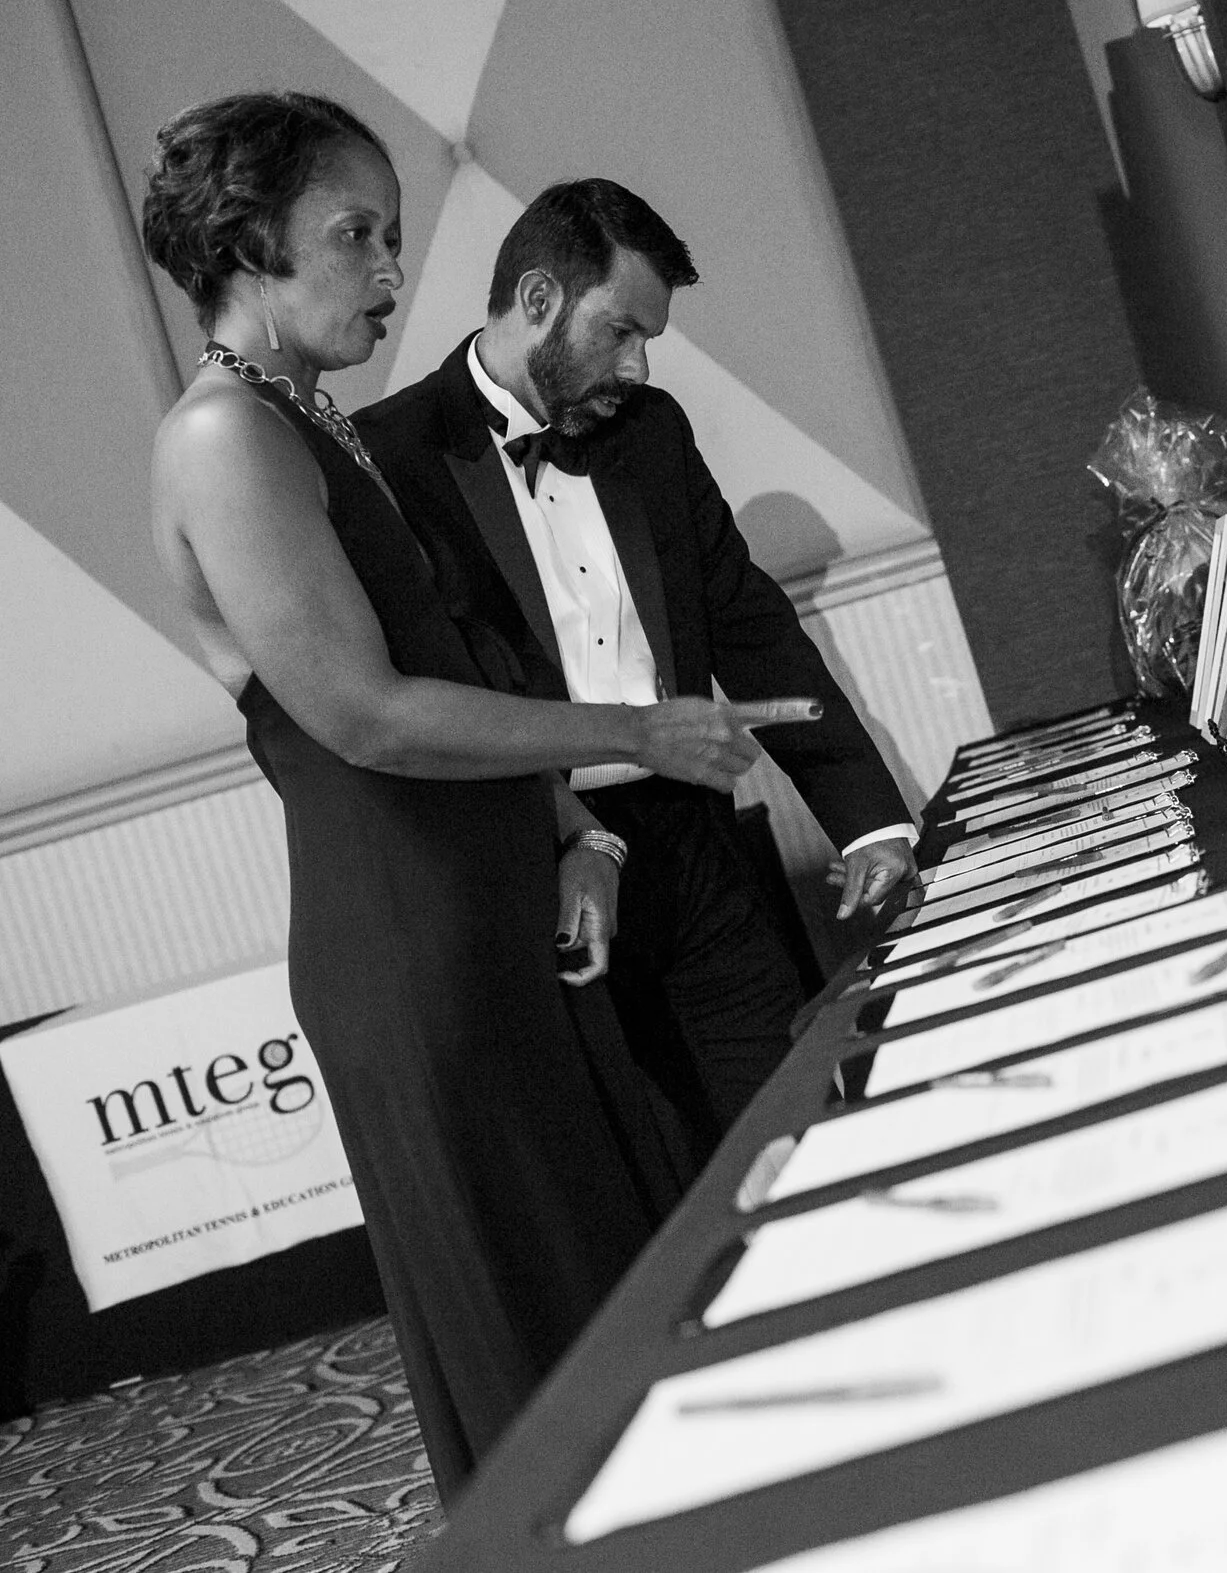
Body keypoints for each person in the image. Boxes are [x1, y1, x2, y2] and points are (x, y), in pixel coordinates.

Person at [142, 91, 817, 1491]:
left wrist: (577, 830)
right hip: (418, 953)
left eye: (392, 234)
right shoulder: (223, 437)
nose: (392, 268)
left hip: (500, 923)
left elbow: (448, 662)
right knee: (548, 1365)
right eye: (358, 234)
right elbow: (365, 713)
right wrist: (633, 731)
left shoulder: (312, 420)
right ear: (252, 241)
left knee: (621, 1304)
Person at [355, 179, 919, 1155]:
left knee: (804, 1134)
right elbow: (413, 701)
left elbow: (748, 622)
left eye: (647, 338)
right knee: (649, 1176)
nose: (638, 364)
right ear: (538, 298)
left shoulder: (650, 431)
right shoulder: (390, 458)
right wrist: (561, 837)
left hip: (697, 847)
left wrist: (865, 816)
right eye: (619, 331)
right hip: (541, 869)